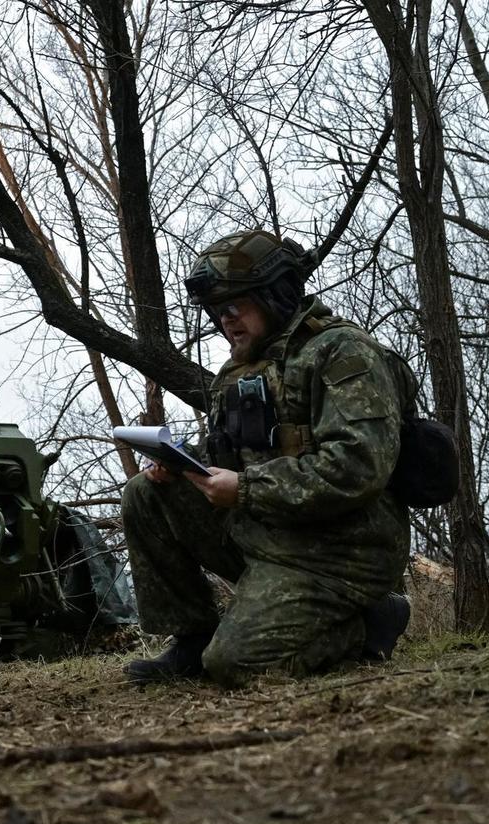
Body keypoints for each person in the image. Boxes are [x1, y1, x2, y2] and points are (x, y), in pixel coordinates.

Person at [122, 229, 413, 687]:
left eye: (234, 306)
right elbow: (227, 454)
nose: (225, 320)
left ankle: (370, 620)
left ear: (272, 294)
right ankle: (193, 638)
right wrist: (181, 463)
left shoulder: (342, 352)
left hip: (341, 551)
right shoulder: (239, 368)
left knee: (237, 663)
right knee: (146, 493)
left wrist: (247, 489)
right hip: (269, 532)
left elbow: (358, 466)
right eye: (218, 311)